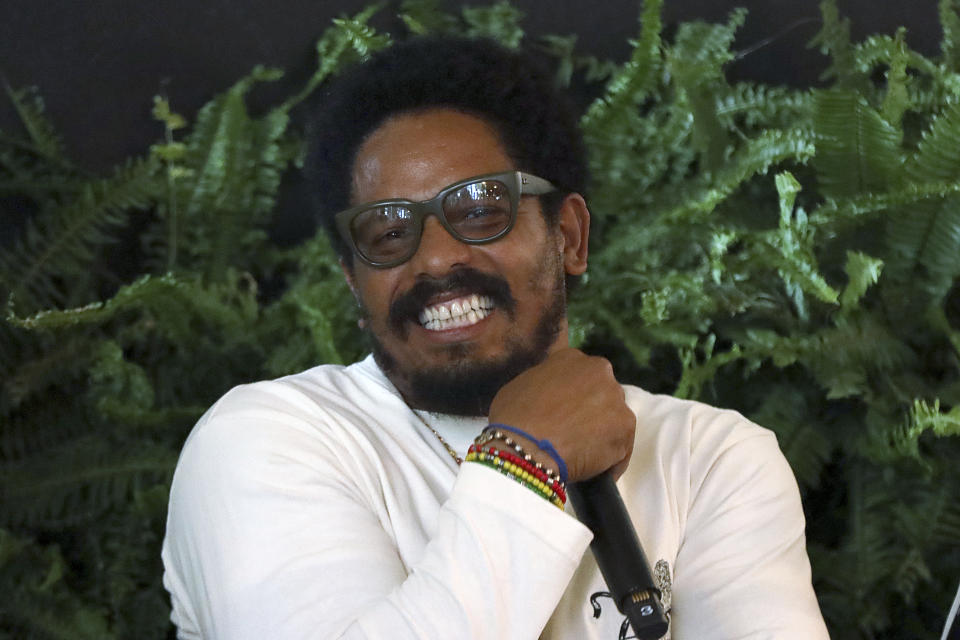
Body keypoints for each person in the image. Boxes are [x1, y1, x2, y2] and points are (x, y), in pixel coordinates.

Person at [161, 36, 829, 639]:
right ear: (353, 281)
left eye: (479, 209)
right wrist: (526, 461)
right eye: (390, 234)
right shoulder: (270, 442)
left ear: (568, 236)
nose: (434, 260)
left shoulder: (708, 459)